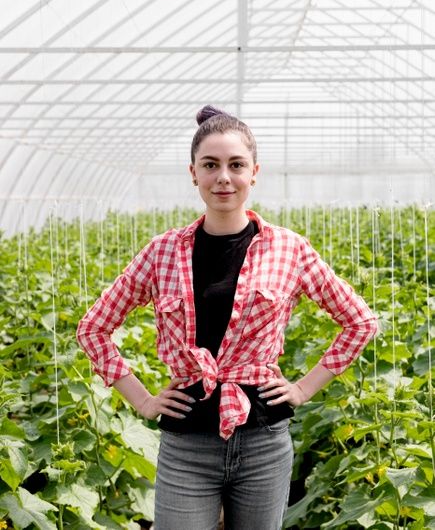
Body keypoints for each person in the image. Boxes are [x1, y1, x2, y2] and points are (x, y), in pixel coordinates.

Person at [76, 105, 378, 530]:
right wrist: (143, 400)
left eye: (236, 165)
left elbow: (359, 321)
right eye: (211, 165)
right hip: (187, 444)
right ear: (193, 172)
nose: (224, 177)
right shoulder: (162, 251)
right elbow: (93, 328)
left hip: (263, 441)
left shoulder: (288, 249)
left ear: (254, 172)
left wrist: (303, 389)